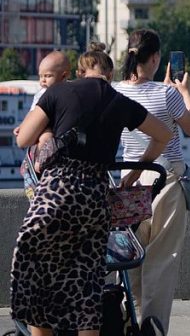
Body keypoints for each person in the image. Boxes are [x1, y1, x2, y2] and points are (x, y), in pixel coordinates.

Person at [10, 44, 172, 336]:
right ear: (108, 74)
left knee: (35, 262)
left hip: (57, 189)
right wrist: (136, 170)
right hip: (96, 196)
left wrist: (46, 132)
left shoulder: (58, 92)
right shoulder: (119, 100)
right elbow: (164, 134)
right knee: (87, 279)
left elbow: (24, 140)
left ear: (80, 72)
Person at [114, 29, 190, 332]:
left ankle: (129, 319)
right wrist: (185, 92)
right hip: (165, 178)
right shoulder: (167, 94)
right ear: (155, 58)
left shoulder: (116, 91)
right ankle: (153, 325)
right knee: (162, 257)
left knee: (129, 255)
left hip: (129, 181)